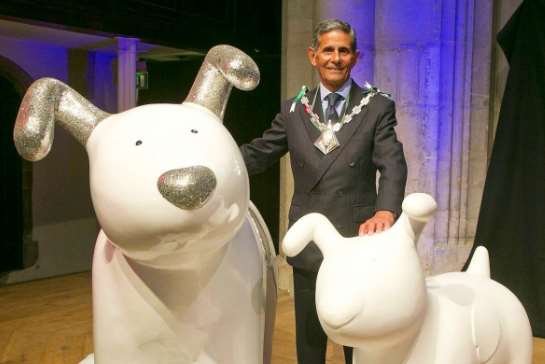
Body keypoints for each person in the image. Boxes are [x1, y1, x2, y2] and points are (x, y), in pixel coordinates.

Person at [240, 19, 407, 364]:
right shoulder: (292, 109)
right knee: (310, 339)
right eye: (328, 50)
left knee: (357, 340)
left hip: (355, 240)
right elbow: (260, 153)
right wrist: (216, 156)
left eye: (343, 51)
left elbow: (393, 164)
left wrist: (385, 211)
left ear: (355, 57)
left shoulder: (377, 107)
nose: (335, 58)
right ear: (313, 56)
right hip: (309, 240)